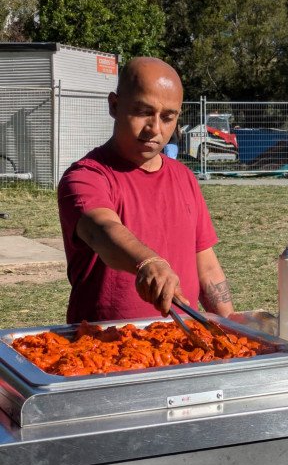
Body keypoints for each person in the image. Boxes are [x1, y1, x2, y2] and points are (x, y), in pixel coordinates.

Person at [58, 56, 233, 323]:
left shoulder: (184, 177)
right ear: (114, 105)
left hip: (182, 341)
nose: (155, 129)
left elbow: (206, 266)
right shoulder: (86, 177)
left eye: (168, 117)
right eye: (143, 112)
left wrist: (231, 325)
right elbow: (103, 230)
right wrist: (148, 262)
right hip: (103, 341)